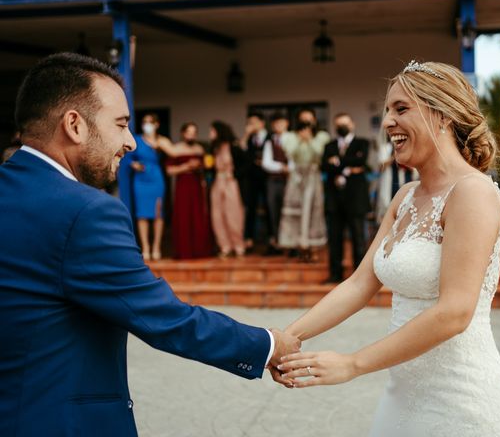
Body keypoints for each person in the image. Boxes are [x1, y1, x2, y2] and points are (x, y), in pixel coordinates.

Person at [0, 52, 300, 437]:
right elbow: (163, 318)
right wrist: (268, 345)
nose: (131, 143)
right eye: (122, 124)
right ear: (74, 125)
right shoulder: (86, 211)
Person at [273, 61, 500, 436]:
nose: (388, 122)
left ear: (441, 115)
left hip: (461, 401)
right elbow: (360, 284)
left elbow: (455, 311)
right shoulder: (405, 197)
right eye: (387, 111)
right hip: (403, 396)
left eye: (401, 108)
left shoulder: (473, 193)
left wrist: (353, 363)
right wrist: (288, 337)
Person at [321, 112, 370, 282]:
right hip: (334, 201)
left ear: (352, 124)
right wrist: (349, 165)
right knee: (335, 240)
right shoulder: (329, 145)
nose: (342, 127)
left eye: (345, 123)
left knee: (358, 238)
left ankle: (360, 277)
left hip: (355, 199)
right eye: (339, 124)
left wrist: (338, 162)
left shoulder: (362, 143)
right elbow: (324, 166)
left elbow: (362, 161)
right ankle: (335, 274)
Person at [278, 109, 330, 262]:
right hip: (296, 177)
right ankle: (299, 247)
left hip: (313, 176)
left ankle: (313, 248)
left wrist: (309, 139)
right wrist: (301, 139)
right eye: (303, 120)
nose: (306, 123)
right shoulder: (289, 136)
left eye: (309, 120)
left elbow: (319, 154)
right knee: (295, 212)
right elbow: (290, 153)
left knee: (314, 211)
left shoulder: (322, 136)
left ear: (314, 120)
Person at [130, 113, 182, 260]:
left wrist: (158, 145)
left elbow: (174, 153)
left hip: (156, 178)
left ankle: (156, 247)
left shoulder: (161, 141)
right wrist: (133, 164)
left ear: (157, 124)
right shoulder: (137, 140)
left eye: (150, 122)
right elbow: (127, 157)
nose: (146, 125)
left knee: (158, 214)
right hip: (140, 180)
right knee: (142, 214)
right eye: (144, 122)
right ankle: (145, 247)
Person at [166, 122, 212, 259]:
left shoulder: (200, 149)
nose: (191, 135)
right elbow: (169, 171)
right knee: (183, 216)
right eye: (189, 132)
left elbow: (206, 168)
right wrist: (186, 166)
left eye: (194, 133)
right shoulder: (175, 149)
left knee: (198, 215)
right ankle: (184, 251)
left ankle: (199, 250)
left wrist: (200, 168)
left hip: (197, 185)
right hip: (183, 185)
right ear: (183, 133)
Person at [209, 120, 248, 257]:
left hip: (231, 183)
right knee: (217, 215)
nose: (210, 134)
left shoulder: (234, 146)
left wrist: (234, 174)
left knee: (234, 214)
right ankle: (224, 246)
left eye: (212, 131)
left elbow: (245, 164)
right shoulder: (214, 148)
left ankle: (238, 244)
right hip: (218, 183)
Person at [261, 112, 291, 254]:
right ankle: (276, 243)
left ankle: (292, 244)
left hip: (290, 182)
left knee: (290, 211)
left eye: (281, 122)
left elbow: (296, 160)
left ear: (287, 124)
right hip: (273, 181)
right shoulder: (270, 142)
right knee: (273, 211)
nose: (278, 126)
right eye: (275, 123)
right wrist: (282, 167)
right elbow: (266, 163)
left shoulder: (294, 139)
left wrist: (289, 168)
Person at [241, 112, 270, 253]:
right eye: (249, 122)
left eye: (253, 122)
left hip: (267, 178)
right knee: (250, 208)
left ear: (262, 123)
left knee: (269, 208)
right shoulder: (249, 139)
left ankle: (272, 240)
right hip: (251, 179)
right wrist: (246, 134)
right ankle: (249, 240)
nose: (251, 125)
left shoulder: (270, 137)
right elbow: (241, 150)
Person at [375, 135, 417, 224]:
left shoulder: (409, 148)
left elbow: (415, 169)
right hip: (390, 185)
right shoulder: (385, 148)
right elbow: (380, 167)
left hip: (405, 181)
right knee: (389, 211)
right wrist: (394, 156)